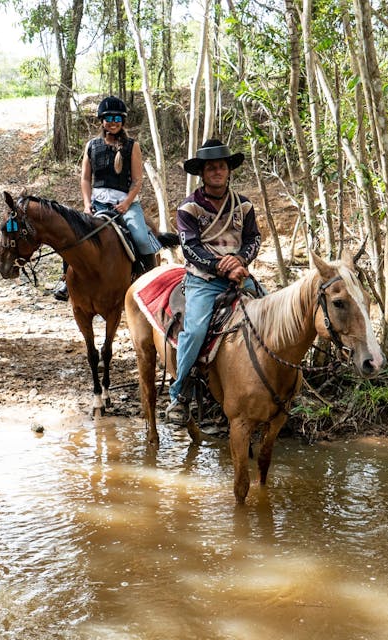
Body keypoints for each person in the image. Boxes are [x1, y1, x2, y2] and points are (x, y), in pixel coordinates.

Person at [165, 139, 264, 424]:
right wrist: (222, 267)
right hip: (203, 280)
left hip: (239, 274)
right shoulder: (189, 208)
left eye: (221, 166)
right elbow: (190, 248)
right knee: (195, 331)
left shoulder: (243, 205)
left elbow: (253, 239)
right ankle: (180, 393)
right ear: (203, 173)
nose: (217, 172)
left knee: (274, 314)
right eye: (211, 168)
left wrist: (240, 261)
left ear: (228, 170)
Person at [53, 95, 161, 301]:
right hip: (97, 202)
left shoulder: (132, 146)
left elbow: (137, 180)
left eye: (117, 118)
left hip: (125, 204)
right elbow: (85, 178)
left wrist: (127, 203)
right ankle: (65, 281)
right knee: (73, 234)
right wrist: (87, 204)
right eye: (109, 117)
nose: (113, 122)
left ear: (123, 121)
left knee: (141, 238)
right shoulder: (92, 146)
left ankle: (150, 282)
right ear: (101, 120)